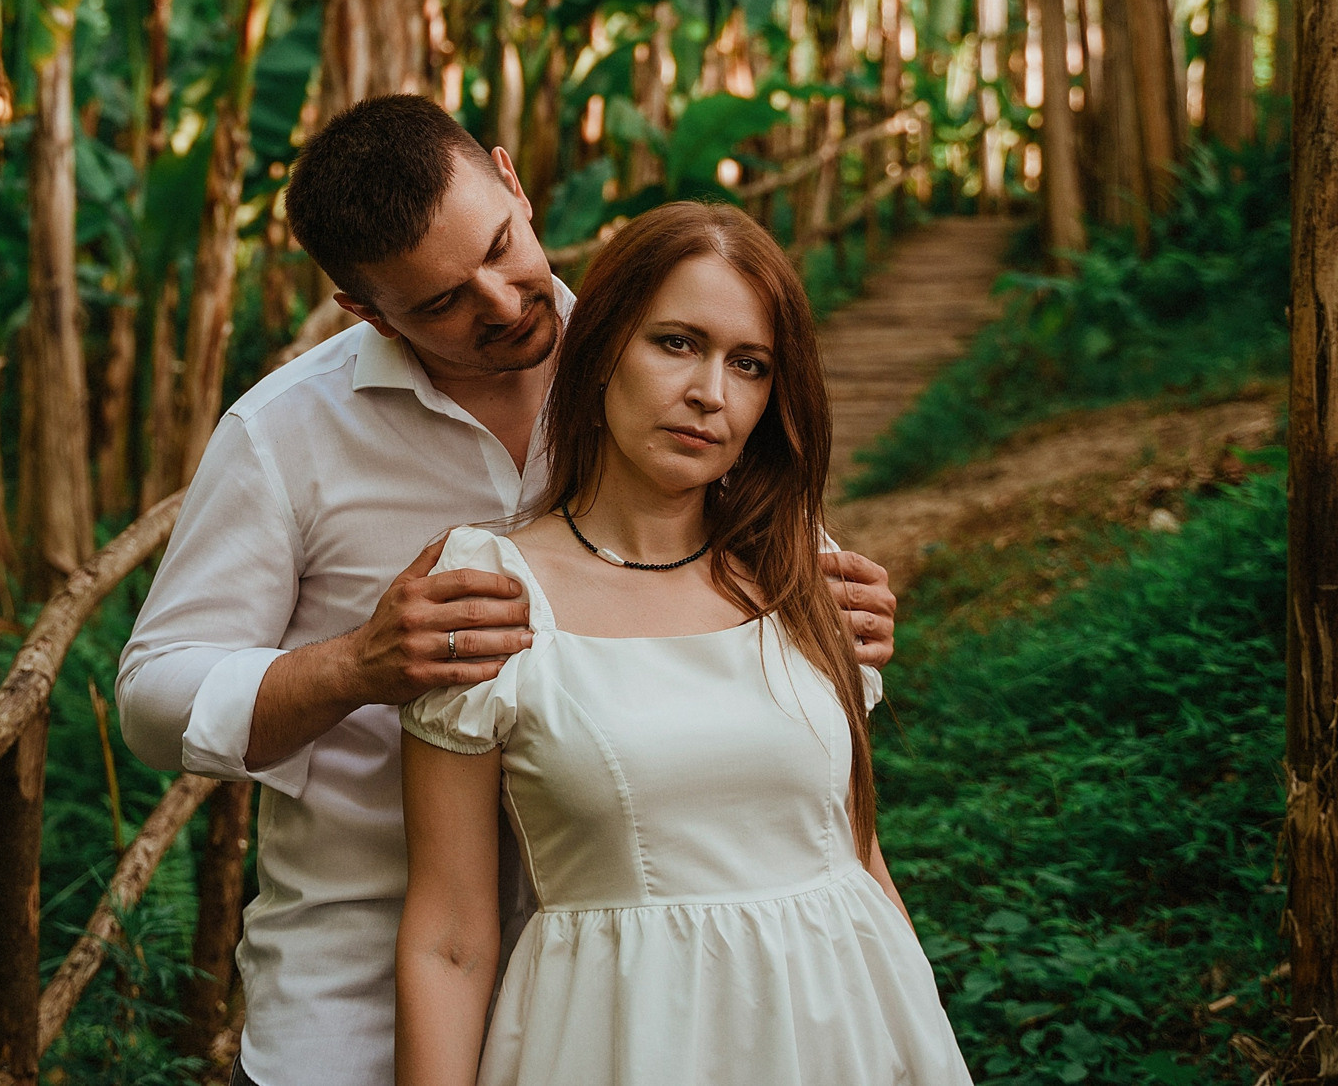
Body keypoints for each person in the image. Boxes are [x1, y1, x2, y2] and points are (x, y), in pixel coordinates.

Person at [118, 95, 902, 1086]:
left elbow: (762, 553)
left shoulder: (653, 350)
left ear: (512, 180)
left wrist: (835, 608)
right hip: (360, 995)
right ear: (366, 311)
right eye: (443, 302)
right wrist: (355, 666)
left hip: (650, 997)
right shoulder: (283, 437)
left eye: (501, 246)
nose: (500, 301)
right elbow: (152, 697)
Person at [394, 200, 970, 1086]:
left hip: (849, 1029)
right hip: (621, 1040)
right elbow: (449, 939)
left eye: (750, 364)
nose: (711, 393)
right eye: (676, 343)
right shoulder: (491, 590)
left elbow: (856, 854)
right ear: (601, 351)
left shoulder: (802, 569)